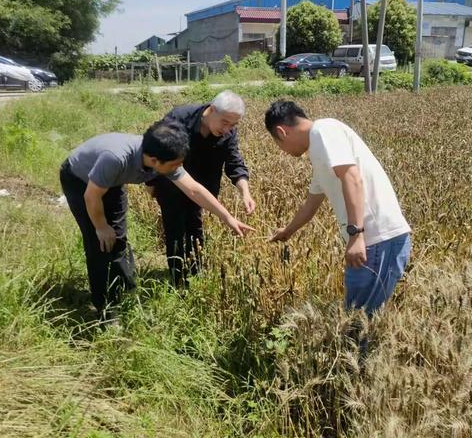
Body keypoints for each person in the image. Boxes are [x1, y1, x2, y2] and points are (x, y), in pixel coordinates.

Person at [60, 119, 254, 321]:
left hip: (111, 181)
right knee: (100, 243)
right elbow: (91, 196)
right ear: (154, 161)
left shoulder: (162, 156)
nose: (177, 169)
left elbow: (193, 189)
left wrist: (228, 217)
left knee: (117, 238)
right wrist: (100, 226)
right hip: (80, 180)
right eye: (174, 165)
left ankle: (127, 292)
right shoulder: (115, 159)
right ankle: (107, 310)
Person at [265, 101, 411, 316]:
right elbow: (311, 203)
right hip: (372, 242)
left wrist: (356, 235)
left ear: (281, 132)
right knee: (358, 318)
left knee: (360, 321)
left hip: (377, 239)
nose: (283, 151)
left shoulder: (324, 130)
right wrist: (287, 231)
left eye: (278, 144)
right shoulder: (319, 152)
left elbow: (352, 178)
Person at [147, 90, 255, 285]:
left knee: (195, 227)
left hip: (203, 189)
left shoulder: (227, 132)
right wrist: (151, 183)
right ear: (211, 110)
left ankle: (196, 275)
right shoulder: (178, 119)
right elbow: (156, 149)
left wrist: (245, 191)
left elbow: (234, 162)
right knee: (175, 229)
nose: (228, 129)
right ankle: (178, 280)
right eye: (225, 122)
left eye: (233, 125)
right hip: (172, 184)